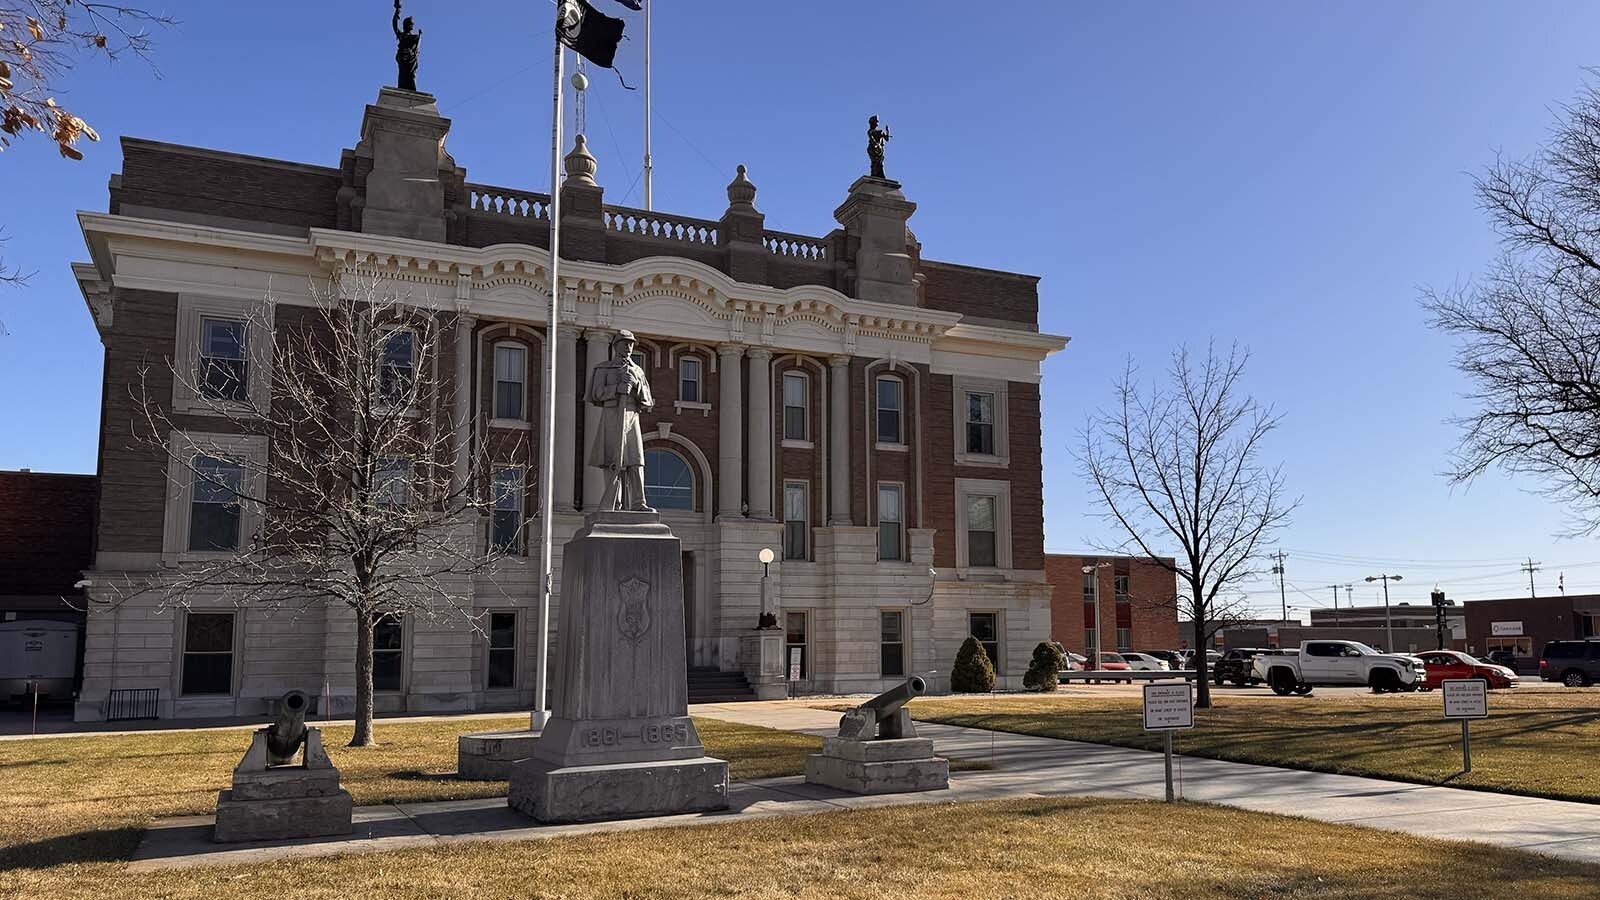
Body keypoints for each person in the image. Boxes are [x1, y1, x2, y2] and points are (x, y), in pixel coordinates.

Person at [586, 331, 655, 511]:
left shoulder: (637, 371)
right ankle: (614, 504)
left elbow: (647, 400)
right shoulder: (604, 368)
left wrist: (636, 385)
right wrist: (617, 388)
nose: (628, 347)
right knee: (611, 460)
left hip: (631, 416)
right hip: (612, 415)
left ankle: (639, 503)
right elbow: (596, 393)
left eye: (631, 344)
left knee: (636, 461)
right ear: (616, 345)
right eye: (625, 343)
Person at [393, 1, 422, 92]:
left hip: (411, 59)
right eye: (410, 24)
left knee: (411, 76)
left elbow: (417, 48)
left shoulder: (415, 37)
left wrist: (420, 37)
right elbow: (394, 24)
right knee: (402, 75)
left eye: (411, 24)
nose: (411, 26)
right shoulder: (402, 35)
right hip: (402, 58)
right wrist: (397, 10)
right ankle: (403, 89)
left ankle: (411, 91)